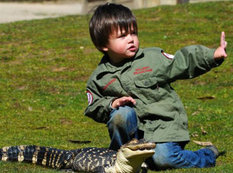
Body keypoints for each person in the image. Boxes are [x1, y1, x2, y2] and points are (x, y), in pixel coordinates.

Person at [84, 2, 227, 171]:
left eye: (133, 33)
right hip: (133, 134)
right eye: (123, 36)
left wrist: (212, 56)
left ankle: (207, 155)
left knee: (163, 159)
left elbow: (182, 62)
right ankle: (122, 160)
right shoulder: (99, 78)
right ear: (104, 45)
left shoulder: (152, 59)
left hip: (163, 127)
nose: (131, 39)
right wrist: (111, 104)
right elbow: (93, 107)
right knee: (120, 115)